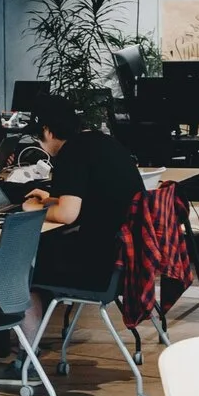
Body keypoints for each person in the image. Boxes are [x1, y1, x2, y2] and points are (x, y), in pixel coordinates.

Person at [19, 93, 139, 300]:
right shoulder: (100, 141)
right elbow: (96, 197)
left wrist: (33, 208)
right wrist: (51, 200)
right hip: (128, 258)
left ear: (47, 131)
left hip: (102, 266)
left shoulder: (71, 153)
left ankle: (29, 334)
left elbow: (67, 215)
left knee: (24, 268)